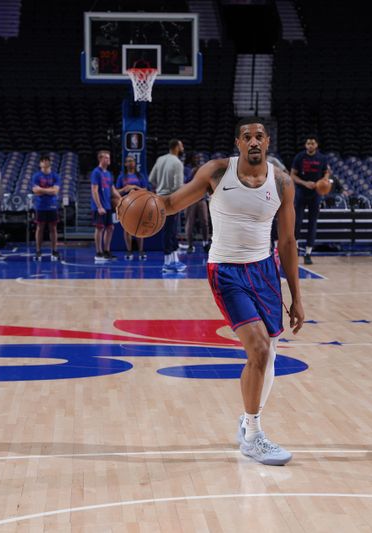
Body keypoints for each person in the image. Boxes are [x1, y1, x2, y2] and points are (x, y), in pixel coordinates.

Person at [122, 117, 305, 466]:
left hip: (265, 271)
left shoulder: (282, 184)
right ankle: (253, 436)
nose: (254, 141)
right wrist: (142, 207)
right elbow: (173, 203)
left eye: (260, 136)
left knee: (269, 357)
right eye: (247, 136)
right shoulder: (218, 172)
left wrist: (296, 296)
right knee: (260, 348)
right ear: (238, 143)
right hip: (226, 270)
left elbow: (287, 241)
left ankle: (248, 420)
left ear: (267, 143)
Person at [290, 135, 330, 265]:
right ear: (305, 145)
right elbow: (292, 175)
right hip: (301, 191)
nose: (310, 145)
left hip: (316, 193)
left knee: (313, 223)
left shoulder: (322, 158)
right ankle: (295, 249)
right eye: (308, 143)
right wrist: (305, 183)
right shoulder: (300, 157)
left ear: (316, 145)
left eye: (313, 143)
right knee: (297, 222)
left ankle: (308, 253)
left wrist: (322, 181)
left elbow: (327, 172)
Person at [149, 139, 186, 272]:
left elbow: (151, 179)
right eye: (181, 146)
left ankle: (173, 260)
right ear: (176, 147)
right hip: (171, 199)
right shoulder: (177, 163)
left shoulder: (160, 159)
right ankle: (167, 263)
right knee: (170, 231)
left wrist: (160, 187)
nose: (182, 148)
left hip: (159, 199)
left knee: (169, 231)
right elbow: (178, 186)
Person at [116, 155, 149, 260]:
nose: (130, 163)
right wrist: (125, 188)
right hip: (126, 205)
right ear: (125, 164)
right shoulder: (122, 177)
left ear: (135, 163)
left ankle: (141, 251)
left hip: (139, 205)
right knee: (127, 229)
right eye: (128, 161)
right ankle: (129, 251)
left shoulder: (140, 176)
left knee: (140, 228)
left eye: (132, 161)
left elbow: (146, 190)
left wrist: (134, 187)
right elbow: (116, 192)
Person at [31, 154, 61, 261]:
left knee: (53, 228)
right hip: (40, 206)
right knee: (40, 228)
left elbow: (56, 191)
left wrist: (42, 190)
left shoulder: (55, 176)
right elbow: (35, 191)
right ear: (40, 164)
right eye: (43, 161)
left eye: (47, 160)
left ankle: (54, 250)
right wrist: (50, 190)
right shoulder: (36, 176)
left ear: (50, 163)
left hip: (52, 206)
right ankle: (38, 250)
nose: (45, 162)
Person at [90, 150, 118, 263]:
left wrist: (122, 199)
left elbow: (112, 189)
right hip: (99, 206)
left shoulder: (108, 174)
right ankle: (98, 252)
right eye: (106, 157)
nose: (108, 159)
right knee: (100, 228)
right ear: (100, 159)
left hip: (108, 205)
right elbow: (94, 190)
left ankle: (106, 251)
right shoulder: (96, 172)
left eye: (109, 157)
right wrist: (99, 206)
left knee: (110, 228)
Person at [183, 152, 210, 253]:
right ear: (191, 158)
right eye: (196, 157)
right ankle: (190, 245)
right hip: (190, 200)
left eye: (199, 158)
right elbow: (184, 182)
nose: (197, 159)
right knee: (190, 223)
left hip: (201, 198)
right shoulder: (186, 169)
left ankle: (205, 242)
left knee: (205, 222)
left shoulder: (202, 168)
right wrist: (192, 173)